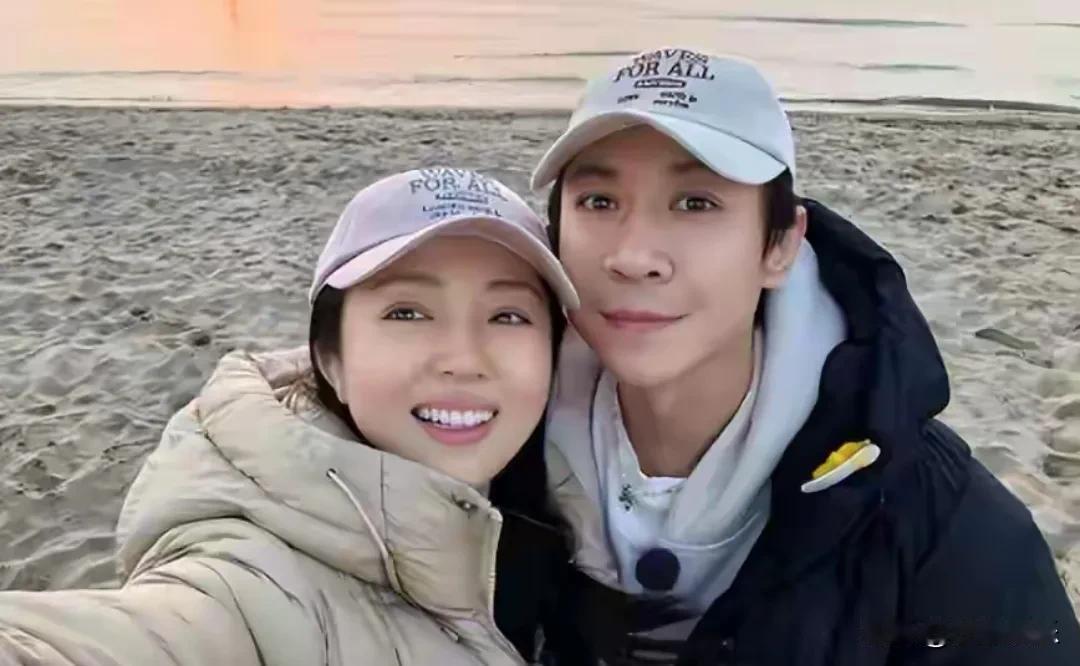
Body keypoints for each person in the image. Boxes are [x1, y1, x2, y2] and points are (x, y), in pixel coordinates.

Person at [532, 48, 1080, 665]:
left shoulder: (934, 519)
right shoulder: (500, 452)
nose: (634, 258)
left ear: (780, 246)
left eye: (696, 203)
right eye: (598, 202)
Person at [0, 167, 579, 665]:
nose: (464, 359)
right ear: (329, 359)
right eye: (406, 312)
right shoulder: (254, 581)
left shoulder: (578, 495)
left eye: (508, 316)